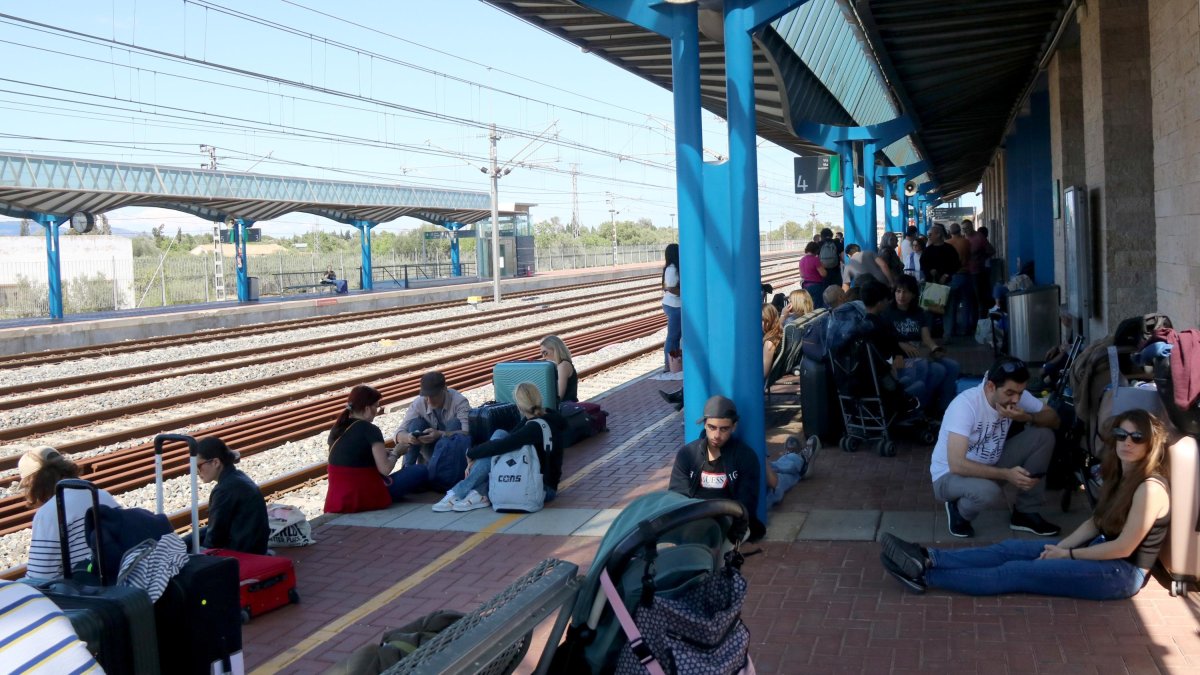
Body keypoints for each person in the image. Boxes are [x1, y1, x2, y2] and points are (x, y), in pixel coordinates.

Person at [882, 410, 1171, 600]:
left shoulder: (1149, 488)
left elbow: (1124, 548)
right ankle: (928, 555)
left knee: (1016, 571)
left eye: (1137, 437)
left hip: (1120, 572)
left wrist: (1067, 555)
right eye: (1121, 435)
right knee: (1008, 549)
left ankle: (925, 573)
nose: (1127, 442)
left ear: (1151, 443)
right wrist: (1060, 548)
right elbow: (1095, 522)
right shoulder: (1121, 474)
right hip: (1098, 549)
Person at [930, 357, 1061, 539]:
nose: (1015, 399)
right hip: (948, 476)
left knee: (1043, 436)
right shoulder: (965, 406)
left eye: (1020, 393)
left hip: (991, 462)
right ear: (991, 386)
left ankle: (1025, 513)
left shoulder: (1014, 395)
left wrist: (1027, 418)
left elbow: (1054, 419)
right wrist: (1007, 474)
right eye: (1010, 393)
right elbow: (956, 464)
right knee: (988, 492)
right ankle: (959, 512)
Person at [433, 383, 567, 512]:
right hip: (526, 478)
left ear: (519, 405)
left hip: (541, 488)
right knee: (499, 434)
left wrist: (471, 453)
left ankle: (459, 492)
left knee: (496, 448)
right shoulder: (542, 417)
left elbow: (502, 445)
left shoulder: (534, 428)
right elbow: (508, 438)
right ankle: (478, 494)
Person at [668, 395, 764, 541]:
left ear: (734, 427)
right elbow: (677, 496)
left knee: (778, 483)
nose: (717, 435)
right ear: (705, 424)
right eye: (712, 427)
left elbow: (747, 502)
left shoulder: (745, 456)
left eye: (724, 429)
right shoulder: (687, 454)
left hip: (729, 518)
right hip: (696, 517)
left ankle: (796, 461)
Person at [20, 447, 120, 579]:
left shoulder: (49, 513)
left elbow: (39, 577)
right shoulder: (102, 495)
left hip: (83, 593)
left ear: (32, 483)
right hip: (118, 583)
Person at [884, 274, 961, 416]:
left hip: (919, 354)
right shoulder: (888, 312)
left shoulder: (919, 312)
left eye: (905, 292)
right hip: (900, 359)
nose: (901, 295)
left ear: (913, 294)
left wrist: (935, 348)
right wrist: (901, 344)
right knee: (937, 370)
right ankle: (921, 407)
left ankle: (944, 408)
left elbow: (926, 338)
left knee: (952, 366)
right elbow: (885, 339)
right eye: (898, 291)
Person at [325, 385, 408, 513]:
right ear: (368, 408)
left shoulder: (337, 427)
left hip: (337, 499)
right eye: (376, 406)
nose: (377, 410)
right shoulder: (370, 430)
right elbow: (385, 469)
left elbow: (352, 455)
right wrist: (397, 452)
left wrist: (380, 452)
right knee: (419, 471)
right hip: (363, 497)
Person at [196, 437, 270, 554]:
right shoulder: (238, 476)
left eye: (199, 466)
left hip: (242, 553)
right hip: (255, 547)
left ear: (216, 462)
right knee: (192, 539)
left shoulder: (224, 490)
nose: (197, 472)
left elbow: (214, 538)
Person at [392, 372, 471, 466]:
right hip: (428, 450)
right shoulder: (419, 403)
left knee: (455, 423)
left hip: (451, 453)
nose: (429, 401)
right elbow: (398, 434)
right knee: (416, 424)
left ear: (444, 389)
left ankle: (447, 472)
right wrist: (410, 437)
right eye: (426, 396)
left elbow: (468, 433)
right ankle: (407, 470)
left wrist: (441, 434)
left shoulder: (459, 402)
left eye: (433, 396)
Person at [661, 243, 681, 373]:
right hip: (674, 305)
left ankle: (674, 363)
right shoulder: (672, 269)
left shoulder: (672, 268)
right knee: (673, 337)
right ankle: (668, 365)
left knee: (676, 336)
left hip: (675, 305)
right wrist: (685, 293)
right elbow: (670, 288)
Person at [540, 335, 578, 403]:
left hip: (565, 409)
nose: (543, 356)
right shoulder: (562, 364)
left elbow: (559, 396)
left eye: (545, 352)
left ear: (555, 349)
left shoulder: (563, 365)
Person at [799, 241, 827, 307]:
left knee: (809, 306)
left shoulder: (802, 260)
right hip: (816, 286)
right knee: (818, 307)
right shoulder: (815, 259)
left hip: (805, 286)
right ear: (816, 250)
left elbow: (802, 275)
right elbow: (823, 274)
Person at [762, 303, 782, 379]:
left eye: (763, 320)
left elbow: (763, 373)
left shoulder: (769, 343)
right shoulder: (779, 332)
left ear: (769, 320)